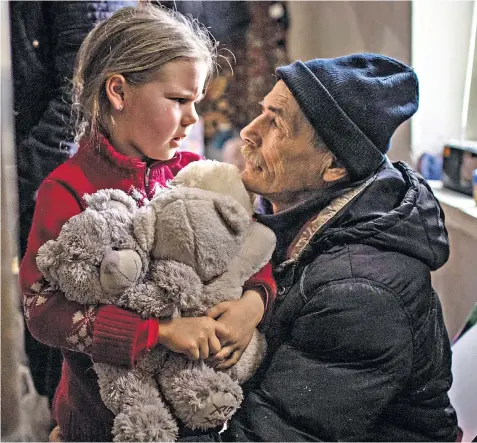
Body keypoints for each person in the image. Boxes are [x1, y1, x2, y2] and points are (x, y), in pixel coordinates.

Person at [18, 5, 275, 442]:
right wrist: (159, 333)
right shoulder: (65, 190)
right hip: (103, 422)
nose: (193, 118)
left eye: (195, 101)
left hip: (207, 418)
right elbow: (42, 312)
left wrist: (254, 303)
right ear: (118, 91)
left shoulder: (203, 174)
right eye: (178, 100)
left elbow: (250, 252)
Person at [221, 53, 458, 441]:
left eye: (276, 123)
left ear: (333, 166)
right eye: (262, 111)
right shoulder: (284, 217)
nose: (249, 130)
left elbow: (271, 435)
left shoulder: (360, 290)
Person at [10, 0, 136, 405]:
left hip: (44, 182)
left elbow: (81, 92)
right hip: (25, 176)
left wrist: (12, 184)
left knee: (55, 350)